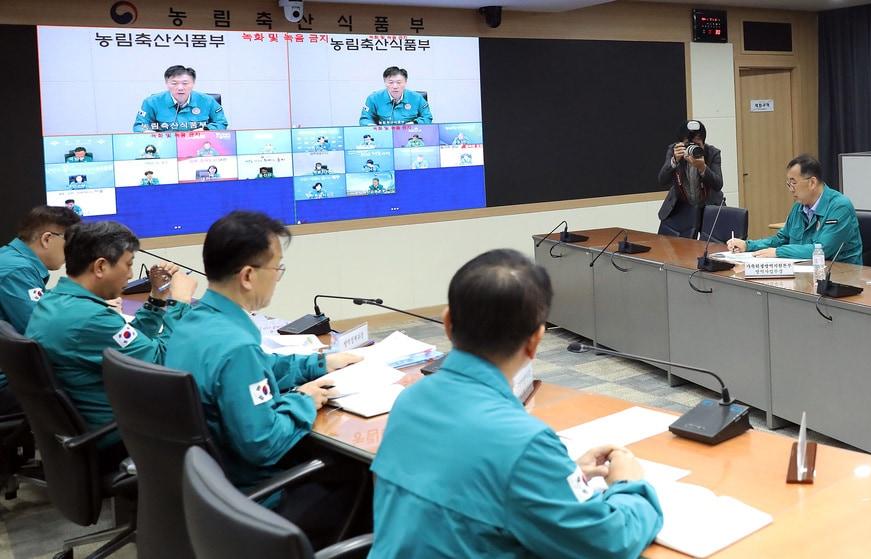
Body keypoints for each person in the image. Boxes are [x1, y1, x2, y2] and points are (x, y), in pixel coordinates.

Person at [369, 249, 664, 558]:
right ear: (535, 341)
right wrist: (629, 485)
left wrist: (560, 477)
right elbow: (609, 543)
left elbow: (468, 482)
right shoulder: (525, 445)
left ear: (447, 323)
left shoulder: (409, 401)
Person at [162, 211, 363, 542]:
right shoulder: (237, 348)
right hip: (254, 504)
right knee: (360, 473)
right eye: (277, 268)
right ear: (247, 276)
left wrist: (318, 364)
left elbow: (259, 369)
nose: (278, 276)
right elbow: (263, 444)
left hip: (205, 493)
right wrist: (303, 400)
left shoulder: (193, 323)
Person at [27, 221, 195, 448]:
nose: (131, 274)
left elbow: (130, 345)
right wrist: (180, 303)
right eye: (128, 264)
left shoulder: (55, 301)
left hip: (84, 429)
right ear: (101, 267)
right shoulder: (89, 319)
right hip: (119, 433)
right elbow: (160, 363)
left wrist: (157, 298)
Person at [0, 206, 81, 417]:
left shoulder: (9, 257)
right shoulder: (17, 270)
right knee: (87, 384)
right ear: (47, 239)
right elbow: (42, 333)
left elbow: (41, 306)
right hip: (6, 383)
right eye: (70, 244)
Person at [726, 155, 862, 264]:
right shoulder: (799, 207)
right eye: (788, 184)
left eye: (793, 183)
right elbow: (781, 239)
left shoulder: (839, 206)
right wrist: (748, 245)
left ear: (812, 182)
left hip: (842, 277)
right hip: (805, 273)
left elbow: (822, 250)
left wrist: (778, 252)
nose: (791, 189)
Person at [656, 120, 724, 239]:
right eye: (688, 144)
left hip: (709, 205)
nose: (692, 148)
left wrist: (702, 167)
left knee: (712, 248)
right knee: (677, 248)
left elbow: (718, 185)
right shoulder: (674, 150)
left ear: (703, 142)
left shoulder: (713, 153)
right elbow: (662, 180)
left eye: (697, 144)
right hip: (681, 206)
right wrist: (674, 161)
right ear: (680, 143)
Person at [133, 65, 228, 132]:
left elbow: (221, 123)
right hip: (166, 146)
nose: (180, 88)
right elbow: (140, 126)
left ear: (193, 83)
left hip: (199, 144)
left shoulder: (207, 101)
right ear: (167, 84)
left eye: (185, 83)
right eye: (174, 83)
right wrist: (149, 134)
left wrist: (205, 130)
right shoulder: (151, 102)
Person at [359, 66, 432, 125]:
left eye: (399, 82)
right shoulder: (373, 98)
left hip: (410, 133)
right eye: (391, 82)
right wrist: (371, 126)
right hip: (384, 134)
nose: (395, 86)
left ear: (405, 82)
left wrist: (414, 123)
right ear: (385, 82)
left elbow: (427, 117)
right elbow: (365, 119)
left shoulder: (417, 98)